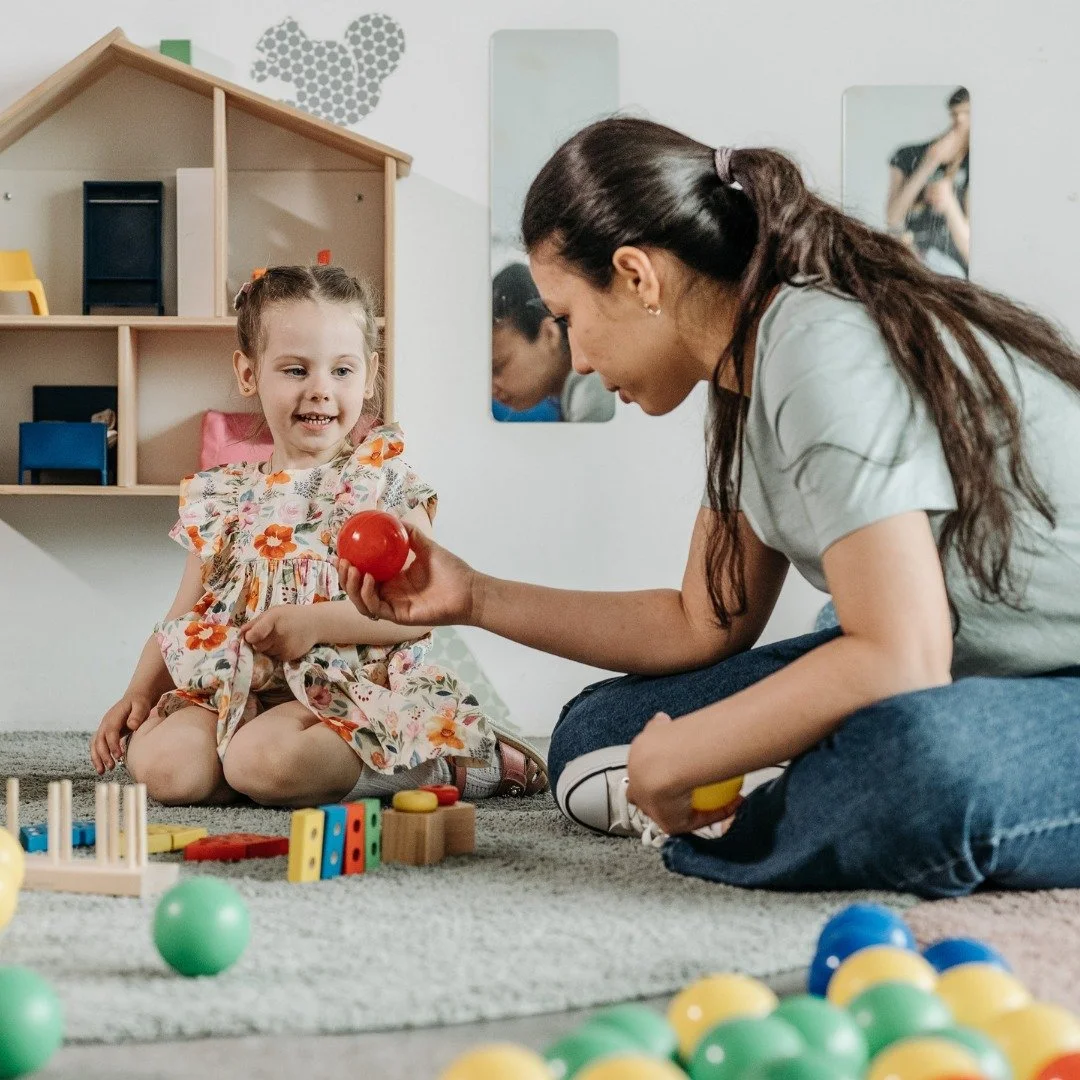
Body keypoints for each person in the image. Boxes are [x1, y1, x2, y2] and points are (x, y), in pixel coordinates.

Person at [339, 116, 1080, 899]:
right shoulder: (745, 375)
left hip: (1020, 674)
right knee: (594, 735)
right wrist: (474, 597)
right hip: (968, 665)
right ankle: (803, 776)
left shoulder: (819, 348)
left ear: (637, 275)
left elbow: (901, 655)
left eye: (567, 318)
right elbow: (703, 621)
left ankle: (806, 782)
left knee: (914, 767)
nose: (578, 358)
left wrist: (693, 753)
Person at [90, 265, 547, 806]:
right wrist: (138, 692)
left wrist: (312, 623)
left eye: (342, 370)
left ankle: (436, 760)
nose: (320, 390)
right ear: (248, 373)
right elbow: (182, 620)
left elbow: (420, 613)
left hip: (345, 691)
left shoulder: (384, 481)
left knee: (267, 762)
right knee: (166, 771)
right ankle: (252, 770)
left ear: (370, 375)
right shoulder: (220, 496)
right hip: (233, 688)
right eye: (295, 370)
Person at [492, 261, 615, 422]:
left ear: (550, 334)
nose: (492, 388)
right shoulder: (574, 396)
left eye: (498, 367)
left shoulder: (594, 393)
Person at [885, 87, 970, 277]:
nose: (961, 120)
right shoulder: (908, 155)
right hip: (912, 259)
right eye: (956, 113)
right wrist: (929, 163)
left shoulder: (979, 164)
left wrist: (949, 204)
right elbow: (892, 218)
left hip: (954, 273)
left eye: (968, 113)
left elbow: (970, 251)